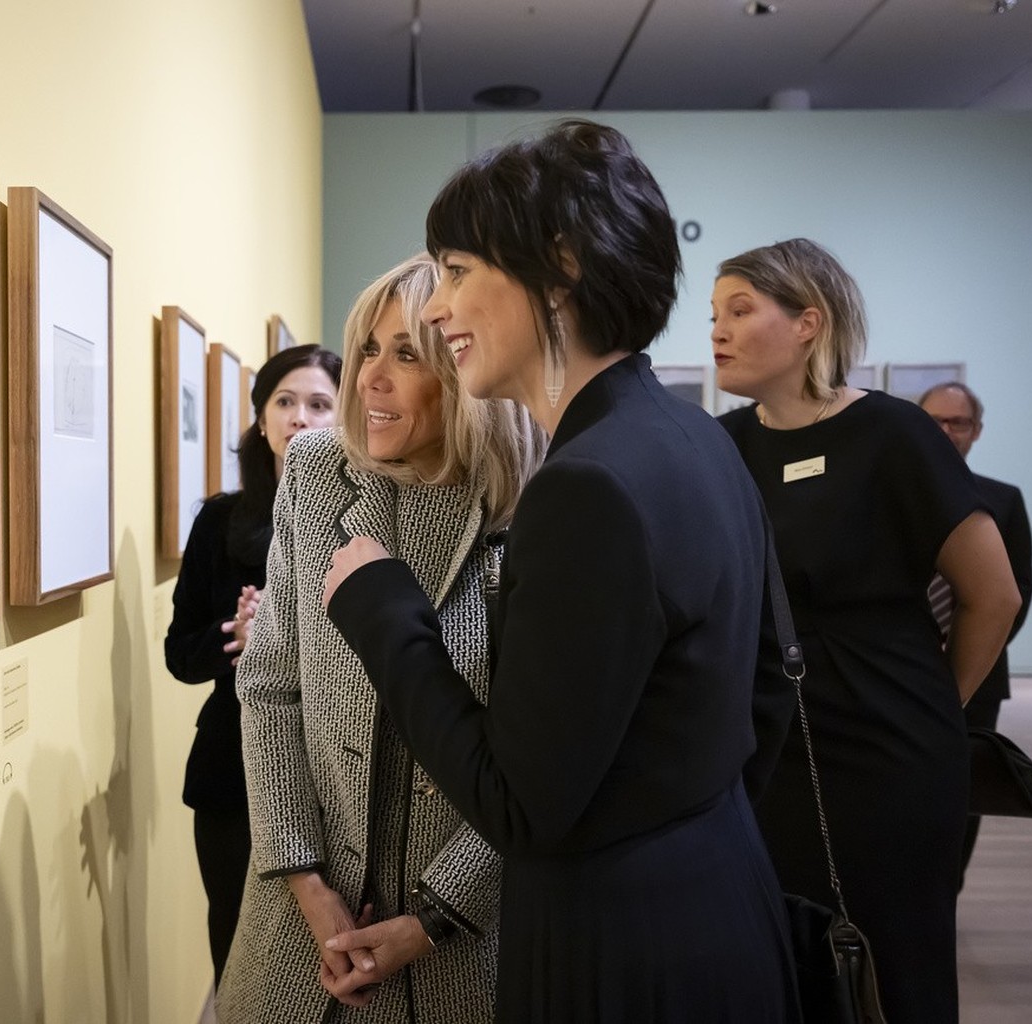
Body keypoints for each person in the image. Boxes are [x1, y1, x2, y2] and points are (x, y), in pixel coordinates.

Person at [321, 120, 799, 1022]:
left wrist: (386, 611)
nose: (433, 308)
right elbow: (767, 690)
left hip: (619, 944)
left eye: (458, 271)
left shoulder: (588, 488)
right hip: (719, 892)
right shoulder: (695, 437)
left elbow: (521, 805)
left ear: (561, 267)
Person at [216, 254, 542, 1023]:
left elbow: (545, 762)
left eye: (407, 354)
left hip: (465, 942)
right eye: (367, 348)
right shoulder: (317, 470)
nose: (371, 378)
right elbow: (270, 688)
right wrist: (306, 883)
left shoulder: (536, 508)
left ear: (462, 372)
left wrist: (434, 919)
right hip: (306, 925)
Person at [710, 238, 1023, 1024]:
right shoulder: (726, 444)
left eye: (741, 311)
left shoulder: (892, 435)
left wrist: (937, 711)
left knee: (896, 961)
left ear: (808, 322)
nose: (717, 331)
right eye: (714, 315)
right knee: (783, 960)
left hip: (891, 751)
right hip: (770, 750)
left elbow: (994, 594)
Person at [164, 343, 342, 985]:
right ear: (261, 418)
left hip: (333, 773)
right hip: (232, 770)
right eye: (285, 402)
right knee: (237, 958)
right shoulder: (218, 521)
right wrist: (235, 634)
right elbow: (180, 655)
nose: (300, 418)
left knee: (328, 958)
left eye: (319, 404)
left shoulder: (365, 517)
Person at [918, 380, 1032, 884]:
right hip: (903, 664)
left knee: (962, 789)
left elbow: (1017, 592)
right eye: (935, 421)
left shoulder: (1002, 500)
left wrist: (969, 644)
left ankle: (949, 888)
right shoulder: (890, 492)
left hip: (978, 672)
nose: (946, 431)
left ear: (976, 431)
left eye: (957, 422)